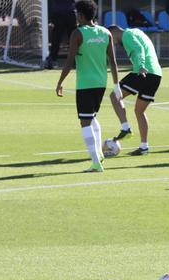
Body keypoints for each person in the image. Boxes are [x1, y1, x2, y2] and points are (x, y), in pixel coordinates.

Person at [55, 0, 112, 172]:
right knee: (92, 117)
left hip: (85, 84)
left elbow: (69, 61)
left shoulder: (77, 34)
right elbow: (114, 62)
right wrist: (115, 84)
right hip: (102, 82)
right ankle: (99, 155)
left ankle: (96, 162)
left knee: (85, 122)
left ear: (80, 15)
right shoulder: (105, 32)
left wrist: (60, 81)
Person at [105, 23, 162, 155]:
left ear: (113, 32)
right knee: (139, 111)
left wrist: (141, 65)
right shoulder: (137, 31)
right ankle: (144, 147)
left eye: (110, 40)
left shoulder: (127, 35)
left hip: (142, 72)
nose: (111, 45)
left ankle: (125, 128)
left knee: (114, 95)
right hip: (156, 75)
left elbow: (138, 49)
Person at [45, 0, 76, 69]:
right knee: (56, 38)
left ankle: (77, 60)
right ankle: (52, 60)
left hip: (70, 12)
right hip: (57, 13)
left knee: (74, 38)